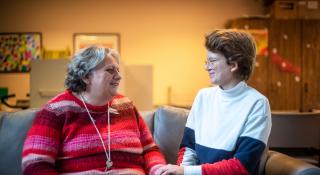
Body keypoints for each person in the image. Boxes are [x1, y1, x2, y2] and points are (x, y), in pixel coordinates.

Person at [22, 46, 166, 175]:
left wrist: (159, 169)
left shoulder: (126, 106)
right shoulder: (55, 111)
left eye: (118, 70)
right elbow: (35, 164)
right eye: (110, 70)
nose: (119, 76)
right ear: (85, 76)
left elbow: (149, 150)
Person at [156, 29, 272, 175]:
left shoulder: (257, 104)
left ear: (233, 65)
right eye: (206, 61)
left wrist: (186, 171)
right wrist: (183, 171)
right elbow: (189, 148)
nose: (206, 67)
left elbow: (241, 167)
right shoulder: (203, 96)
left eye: (212, 61)